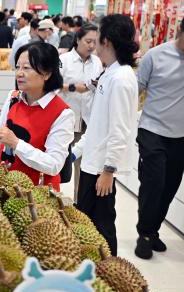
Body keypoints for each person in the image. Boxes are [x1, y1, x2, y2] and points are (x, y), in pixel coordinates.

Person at [72, 14, 139, 256]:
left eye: (98, 37)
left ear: (107, 41)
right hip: (92, 161)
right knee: (86, 219)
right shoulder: (109, 73)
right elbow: (99, 123)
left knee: (102, 223)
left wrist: (109, 170)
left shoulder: (121, 78)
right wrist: (75, 152)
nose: (95, 42)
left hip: (101, 168)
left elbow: (120, 129)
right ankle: (91, 265)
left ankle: (110, 270)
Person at [0, 42, 74, 191]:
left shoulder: (62, 113)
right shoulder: (13, 98)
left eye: (26, 68)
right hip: (4, 186)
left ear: (46, 73)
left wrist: (16, 143)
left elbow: (53, 165)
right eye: (17, 67)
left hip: (37, 196)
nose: (19, 73)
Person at [134, 18, 184, 259]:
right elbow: (136, 87)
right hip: (152, 130)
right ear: (180, 33)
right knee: (153, 183)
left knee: (169, 186)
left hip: (180, 136)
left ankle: (153, 230)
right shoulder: (156, 55)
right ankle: (143, 233)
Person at [59, 24, 102, 200]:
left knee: (83, 166)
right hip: (67, 120)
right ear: (77, 40)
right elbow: (51, 85)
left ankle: (79, 203)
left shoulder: (97, 62)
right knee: (60, 162)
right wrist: (73, 87)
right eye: (88, 41)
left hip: (88, 121)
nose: (92, 46)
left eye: (95, 42)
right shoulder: (65, 60)